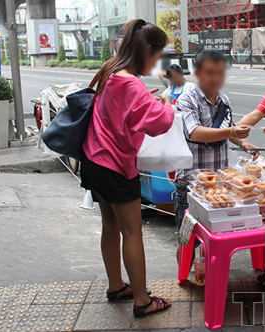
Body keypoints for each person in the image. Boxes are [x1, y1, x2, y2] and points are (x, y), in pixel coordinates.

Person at [81, 19, 174, 318]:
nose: (156, 62)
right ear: (146, 50)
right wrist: (166, 103)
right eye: (156, 56)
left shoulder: (110, 69)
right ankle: (142, 301)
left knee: (110, 226)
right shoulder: (131, 83)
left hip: (94, 160)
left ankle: (116, 286)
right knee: (133, 232)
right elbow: (160, 122)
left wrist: (147, 98)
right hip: (117, 166)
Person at [174, 50, 253, 246]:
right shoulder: (187, 101)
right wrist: (231, 132)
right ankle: (185, 277)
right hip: (190, 185)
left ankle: (206, 277)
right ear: (198, 73)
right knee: (188, 243)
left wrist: (241, 142)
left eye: (220, 73)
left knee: (215, 243)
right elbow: (195, 133)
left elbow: (225, 129)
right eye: (210, 72)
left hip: (218, 187)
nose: (215, 78)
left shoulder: (224, 100)